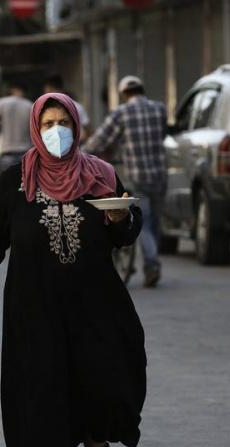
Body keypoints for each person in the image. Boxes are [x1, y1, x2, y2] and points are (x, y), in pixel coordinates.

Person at [0, 93, 147, 447]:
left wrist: (121, 219)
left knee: (106, 376)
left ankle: (95, 439)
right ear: (37, 128)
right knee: (42, 387)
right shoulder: (16, 181)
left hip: (95, 303)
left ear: (77, 124)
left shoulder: (102, 175)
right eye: (49, 122)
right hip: (34, 306)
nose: (58, 130)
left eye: (65, 122)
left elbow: (125, 236)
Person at [85, 75, 168, 288]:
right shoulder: (159, 109)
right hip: (160, 174)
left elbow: (100, 140)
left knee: (146, 223)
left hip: (137, 175)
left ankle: (152, 265)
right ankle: (152, 261)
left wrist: (82, 154)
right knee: (156, 222)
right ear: (142, 89)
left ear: (124, 94)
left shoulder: (122, 113)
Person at [0, 82, 32, 171]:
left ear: (12, 90)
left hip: (7, 152)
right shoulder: (29, 105)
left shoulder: (1, 103)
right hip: (26, 152)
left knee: (8, 183)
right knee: (25, 183)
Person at [43, 74, 91, 140]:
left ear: (51, 89)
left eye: (47, 92)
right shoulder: (77, 106)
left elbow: (87, 128)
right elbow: (87, 127)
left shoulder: (76, 106)